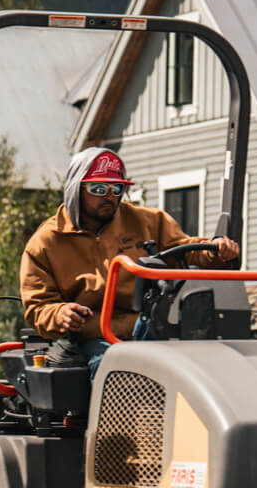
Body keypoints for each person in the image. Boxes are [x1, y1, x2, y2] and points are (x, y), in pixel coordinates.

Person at [19, 147, 238, 371]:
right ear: (76, 189)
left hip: (151, 327)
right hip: (93, 337)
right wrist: (60, 314)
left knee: (199, 368)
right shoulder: (47, 241)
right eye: (98, 188)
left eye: (116, 189)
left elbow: (185, 250)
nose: (109, 196)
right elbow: (38, 307)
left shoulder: (147, 221)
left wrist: (216, 250)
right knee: (116, 369)